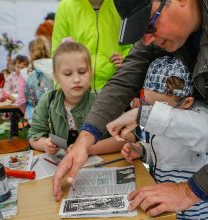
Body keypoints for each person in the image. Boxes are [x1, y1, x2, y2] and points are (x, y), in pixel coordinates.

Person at [52, 0, 208, 215]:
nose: (147, 39)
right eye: (140, 31)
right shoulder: (158, 37)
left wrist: (188, 192)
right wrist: (85, 139)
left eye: (149, 25)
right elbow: (123, 81)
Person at [106, 56, 208, 219]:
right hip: (164, 209)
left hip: (195, 214)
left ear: (187, 102)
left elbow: (202, 133)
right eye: (148, 104)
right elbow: (162, 152)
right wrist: (142, 150)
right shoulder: (163, 111)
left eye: (160, 108)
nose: (152, 112)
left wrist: (145, 114)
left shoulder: (199, 115)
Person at [28, 41, 126, 154]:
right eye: (67, 74)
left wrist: (89, 149)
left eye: (82, 72)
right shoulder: (48, 100)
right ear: (56, 76)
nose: (76, 79)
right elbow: (33, 136)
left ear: (90, 72)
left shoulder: (104, 99)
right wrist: (45, 144)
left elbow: (128, 137)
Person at [52, 0, 132, 91]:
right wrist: (60, 91)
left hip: (112, 89)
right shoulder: (66, 6)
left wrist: (125, 60)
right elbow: (57, 54)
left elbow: (130, 47)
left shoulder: (121, 5)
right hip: (76, 91)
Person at [17, 36, 53, 123]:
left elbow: (21, 100)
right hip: (55, 114)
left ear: (31, 52)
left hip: (33, 115)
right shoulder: (57, 67)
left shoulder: (24, 73)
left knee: (37, 136)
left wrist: (26, 111)